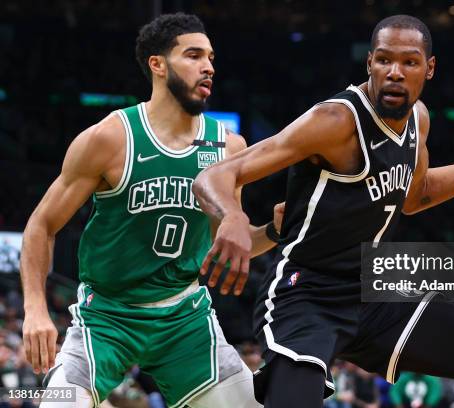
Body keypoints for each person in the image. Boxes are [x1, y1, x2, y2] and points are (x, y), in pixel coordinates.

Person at [193, 14, 454, 408]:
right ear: (370, 65)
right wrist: (234, 216)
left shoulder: (418, 120)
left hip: (374, 292)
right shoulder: (335, 121)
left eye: (409, 62)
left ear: (429, 69)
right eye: (384, 60)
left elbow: (417, 196)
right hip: (306, 295)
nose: (395, 72)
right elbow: (216, 175)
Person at [20, 12, 281, 408]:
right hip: (107, 317)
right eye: (193, 55)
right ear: (157, 65)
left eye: (210, 57)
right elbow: (41, 225)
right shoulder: (110, 138)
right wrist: (36, 309)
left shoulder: (228, 147)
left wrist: (274, 231)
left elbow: (224, 247)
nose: (208, 66)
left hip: (185, 318)